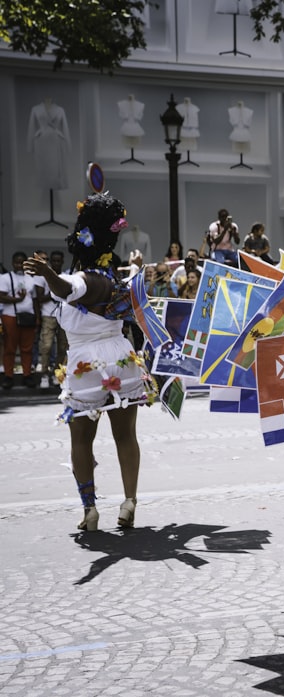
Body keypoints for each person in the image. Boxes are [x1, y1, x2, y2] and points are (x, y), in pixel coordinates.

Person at [23, 193, 158, 531]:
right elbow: (136, 280)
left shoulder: (86, 280)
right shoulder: (118, 280)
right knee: (126, 436)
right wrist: (139, 264)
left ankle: (90, 510)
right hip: (122, 358)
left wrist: (48, 273)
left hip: (87, 366)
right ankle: (129, 503)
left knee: (81, 439)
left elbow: (67, 287)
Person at [1, 251, 42, 388]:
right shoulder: (5, 278)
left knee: (27, 348)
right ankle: (8, 376)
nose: (19, 265)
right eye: (16, 262)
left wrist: (38, 317)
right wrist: (16, 299)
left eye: (22, 263)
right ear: (12, 263)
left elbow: (35, 299)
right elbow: (1, 296)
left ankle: (27, 375)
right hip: (10, 316)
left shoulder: (31, 278)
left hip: (28, 316)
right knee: (10, 347)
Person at [36, 250, 69, 389]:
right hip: (48, 315)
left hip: (64, 315)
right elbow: (39, 298)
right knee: (46, 346)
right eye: (53, 261)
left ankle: (57, 373)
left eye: (58, 261)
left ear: (62, 261)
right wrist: (55, 291)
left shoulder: (67, 276)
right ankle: (44, 374)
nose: (55, 263)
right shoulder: (43, 276)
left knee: (63, 347)